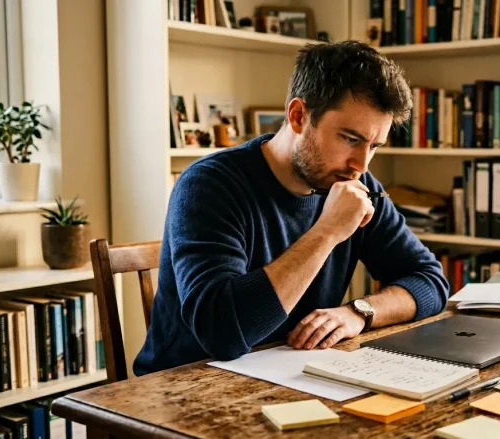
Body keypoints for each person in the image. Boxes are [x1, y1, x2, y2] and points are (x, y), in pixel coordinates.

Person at [133, 40, 450, 376]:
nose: (361, 163)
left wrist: (360, 311)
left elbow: (429, 280)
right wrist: (327, 232)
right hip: (186, 387)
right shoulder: (209, 185)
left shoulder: (357, 184)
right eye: (350, 138)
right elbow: (221, 334)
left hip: (293, 374)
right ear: (298, 116)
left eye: (374, 146)